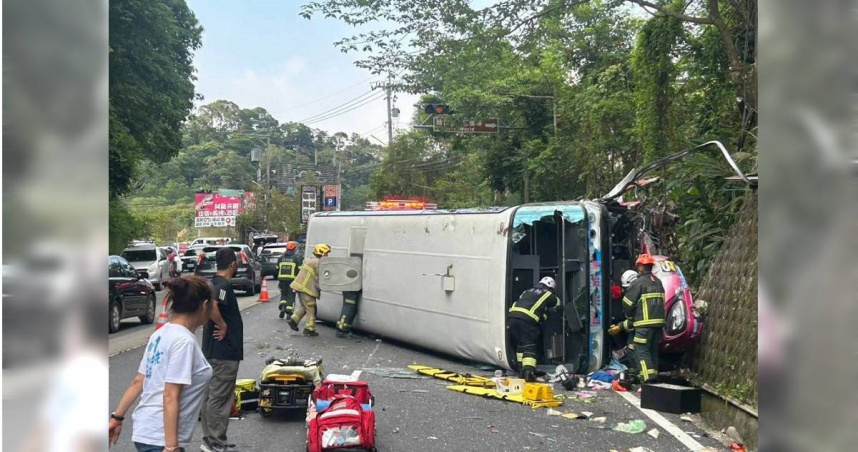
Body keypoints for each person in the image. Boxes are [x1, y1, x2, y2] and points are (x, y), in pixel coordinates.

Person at [109, 276, 215, 452]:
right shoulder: (184, 342)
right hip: (162, 438)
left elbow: (138, 381)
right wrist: (172, 447)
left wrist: (116, 418)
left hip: (146, 432)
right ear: (204, 306)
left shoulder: (160, 334)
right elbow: (170, 395)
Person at [200, 247, 244, 452]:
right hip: (224, 353)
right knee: (220, 397)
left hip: (211, 351)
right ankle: (216, 442)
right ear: (233, 264)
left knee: (210, 396)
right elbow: (213, 306)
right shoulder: (223, 285)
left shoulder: (210, 283)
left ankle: (211, 439)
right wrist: (223, 325)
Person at [608, 254, 665, 383]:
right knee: (652, 351)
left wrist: (627, 319)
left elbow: (627, 304)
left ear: (640, 267)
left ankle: (647, 380)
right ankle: (653, 377)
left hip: (644, 325)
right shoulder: (658, 282)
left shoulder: (638, 283)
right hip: (658, 324)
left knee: (641, 351)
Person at [507, 276, 562, 382]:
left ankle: (521, 370)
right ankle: (528, 372)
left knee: (521, 345)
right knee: (529, 346)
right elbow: (557, 304)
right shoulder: (547, 294)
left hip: (512, 318)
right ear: (550, 288)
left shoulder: (526, 291)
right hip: (526, 320)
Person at [287, 243, 331, 337]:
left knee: (304, 306)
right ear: (322, 253)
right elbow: (322, 276)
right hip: (307, 288)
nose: (327, 255)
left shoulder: (310, 260)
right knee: (311, 308)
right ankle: (309, 329)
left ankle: (293, 320)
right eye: (326, 253)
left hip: (300, 287)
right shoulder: (318, 262)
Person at [276, 241, 300, 319]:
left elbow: (277, 268)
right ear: (294, 248)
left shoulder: (281, 258)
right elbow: (300, 269)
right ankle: (289, 313)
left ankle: (283, 307)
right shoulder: (296, 258)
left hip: (282, 280)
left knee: (284, 294)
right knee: (291, 295)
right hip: (292, 280)